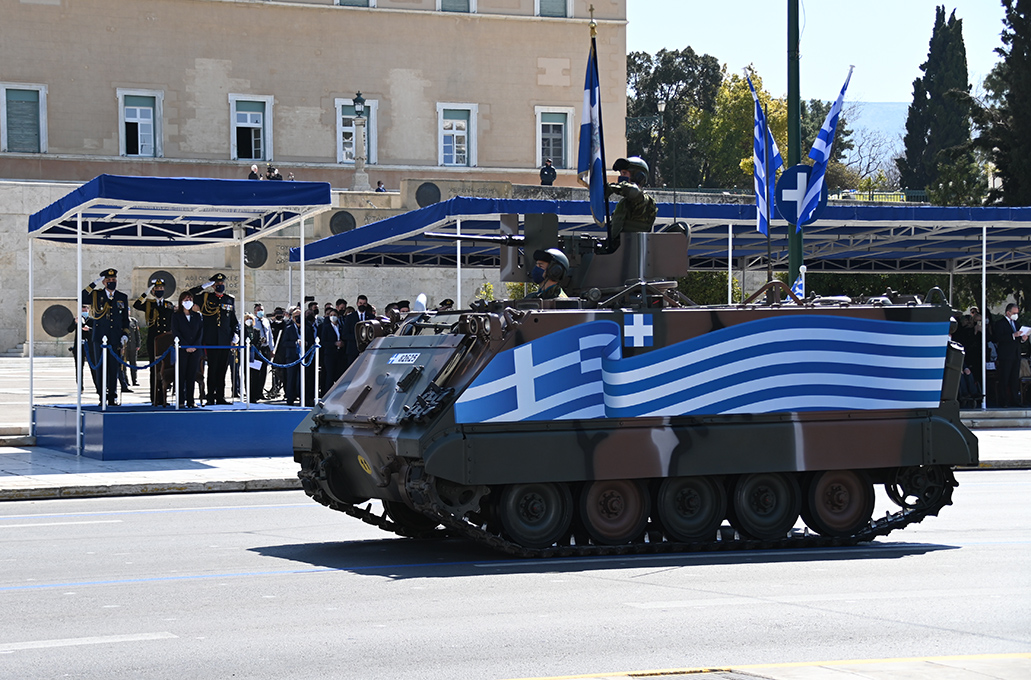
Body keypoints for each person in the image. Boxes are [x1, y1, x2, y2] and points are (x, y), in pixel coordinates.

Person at [187, 273, 239, 405]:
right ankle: (210, 396)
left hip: (225, 340)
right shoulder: (206, 297)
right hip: (211, 339)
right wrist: (204, 286)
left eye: (221, 284)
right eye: (217, 284)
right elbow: (189, 295)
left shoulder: (229, 299)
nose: (220, 286)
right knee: (213, 368)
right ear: (213, 285)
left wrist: (236, 333)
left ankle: (220, 396)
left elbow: (233, 320)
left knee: (223, 369)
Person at [82, 268, 131, 406]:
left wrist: (125, 334)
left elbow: (124, 319)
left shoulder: (122, 297)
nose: (111, 282)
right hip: (100, 337)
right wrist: (93, 284)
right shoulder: (96, 295)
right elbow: (82, 297)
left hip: (115, 337)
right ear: (103, 282)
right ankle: (102, 396)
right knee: (101, 368)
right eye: (108, 280)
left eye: (113, 280)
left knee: (113, 368)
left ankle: (112, 396)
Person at [133, 277, 175, 403]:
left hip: (166, 341)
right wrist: (147, 291)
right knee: (154, 369)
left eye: (161, 288)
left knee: (166, 368)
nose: (159, 290)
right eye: (157, 289)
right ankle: (155, 397)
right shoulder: (148, 304)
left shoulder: (169, 305)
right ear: (153, 291)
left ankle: (164, 395)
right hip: (154, 340)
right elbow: (136, 305)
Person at [605, 156, 657, 238]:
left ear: (638, 176)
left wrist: (612, 188)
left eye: (624, 173)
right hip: (619, 249)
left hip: (633, 248)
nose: (621, 177)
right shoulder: (624, 203)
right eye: (621, 173)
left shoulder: (645, 201)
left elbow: (633, 191)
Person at [171, 291, 204, 408]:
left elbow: (200, 332)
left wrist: (194, 346)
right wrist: (186, 346)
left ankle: (191, 400)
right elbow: (176, 332)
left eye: (190, 300)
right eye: (185, 300)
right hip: (182, 349)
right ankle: (180, 400)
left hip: (195, 350)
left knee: (191, 375)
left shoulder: (198, 316)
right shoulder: (176, 316)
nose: (188, 302)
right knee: (181, 375)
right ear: (181, 302)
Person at [994, 303, 1029, 407]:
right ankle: (1003, 401)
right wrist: (1012, 335)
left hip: (1016, 355)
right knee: (1004, 378)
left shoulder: (1016, 323)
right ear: (1008, 312)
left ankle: (1015, 400)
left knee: (1014, 379)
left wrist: (1022, 339)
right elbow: (998, 338)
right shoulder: (1000, 323)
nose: (1015, 315)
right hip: (1006, 355)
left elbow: (1019, 338)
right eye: (1014, 313)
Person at [318, 307, 345, 395]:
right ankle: (327, 394)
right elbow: (323, 342)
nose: (333, 317)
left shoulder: (341, 327)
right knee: (329, 375)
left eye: (334, 315)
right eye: (331, 315)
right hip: (329, 354)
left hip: (339, 354)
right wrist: (334, 344)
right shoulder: (326, 327)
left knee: (339, 375)